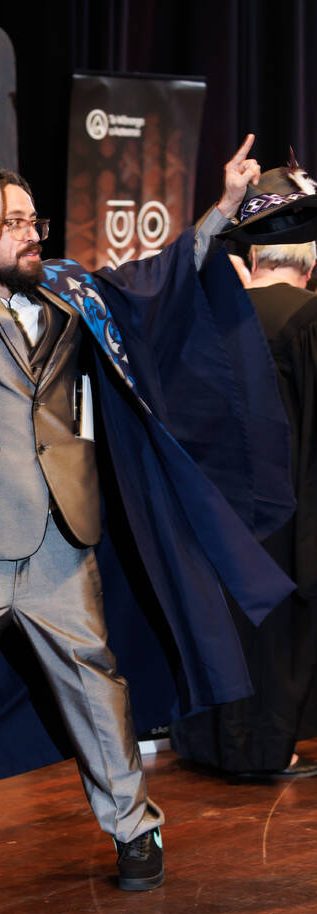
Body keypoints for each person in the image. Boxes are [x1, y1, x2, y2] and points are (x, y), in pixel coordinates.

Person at [0, 136, 295, 914]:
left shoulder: (72, 289)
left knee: (94, 685)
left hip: (60, 541)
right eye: (11, 224)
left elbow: (156, 283)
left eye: (33, 219)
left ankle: (135, 829)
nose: (31, 232)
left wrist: (221, 210)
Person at [171, 238, 317, 777]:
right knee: (275, 637)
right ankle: (265, 750)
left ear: (254, 258)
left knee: (218, 624)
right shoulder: (308, 320)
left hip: (214, 508)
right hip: (289, 513)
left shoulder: (209, 317)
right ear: (312, 262)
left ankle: (204, 742)